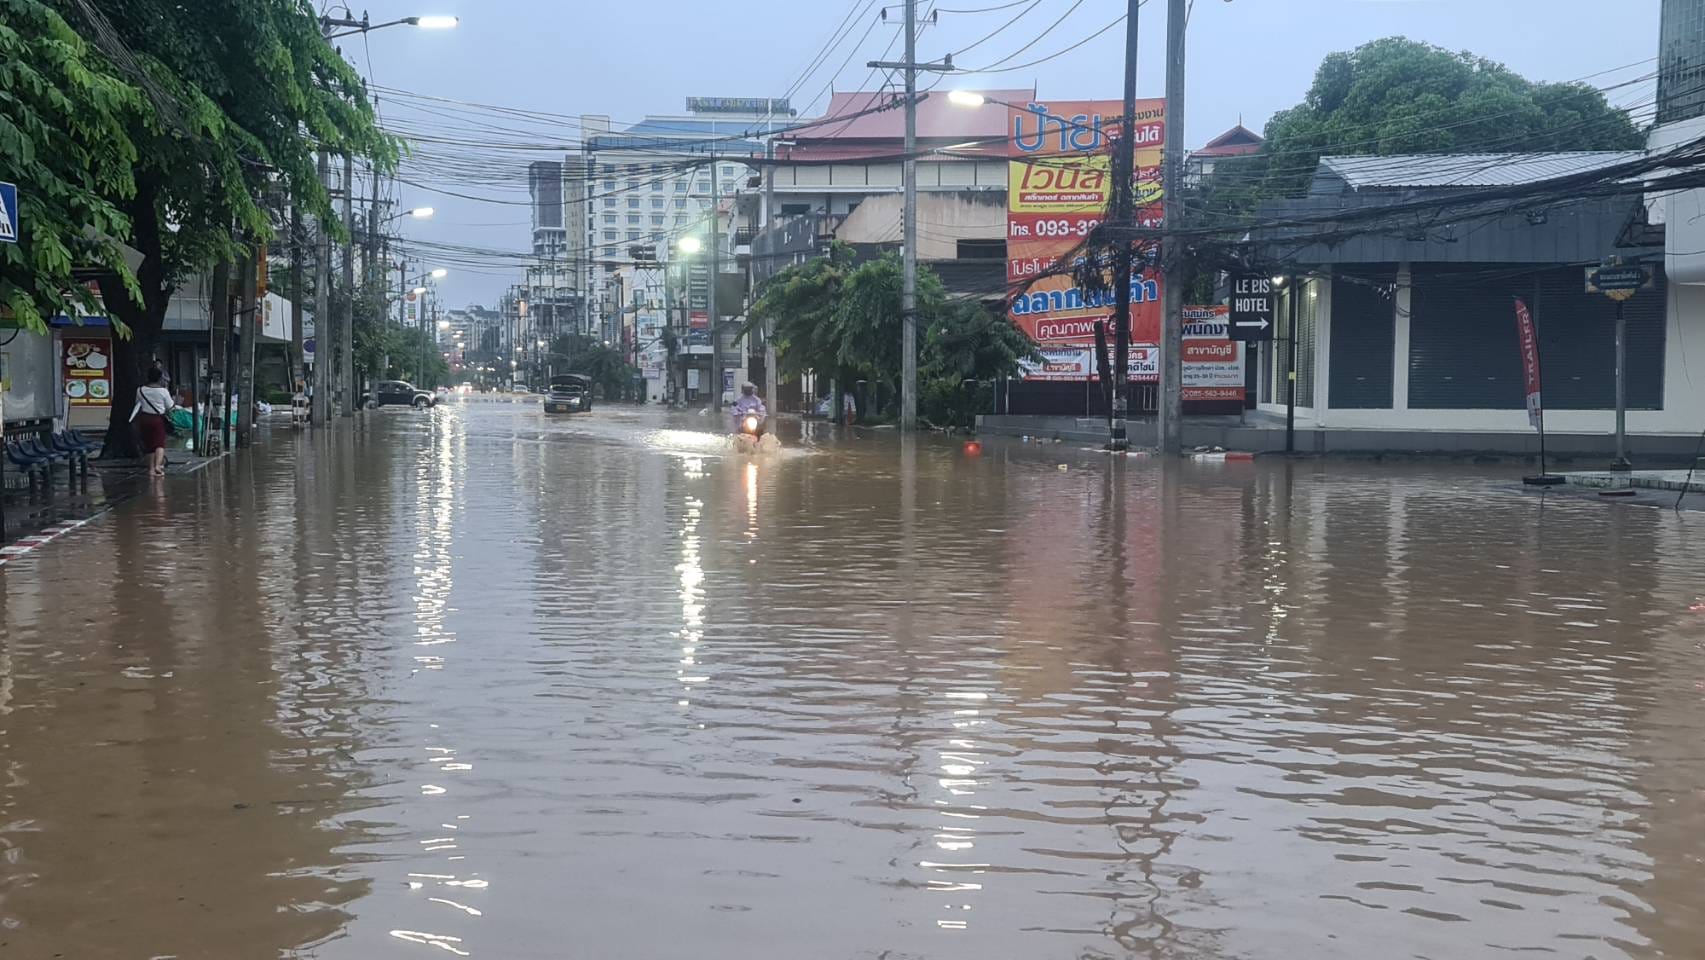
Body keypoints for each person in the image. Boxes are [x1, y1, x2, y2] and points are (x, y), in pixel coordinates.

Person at [131, 368, 176, 476]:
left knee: (149, 445)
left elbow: (138, 403)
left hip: (144, 418)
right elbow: (170, 406)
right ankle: (157, 466)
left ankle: (151, 469)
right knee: (159, 444)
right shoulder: (163, 391)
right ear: (160, 378)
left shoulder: (140, 390)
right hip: (157, 419)